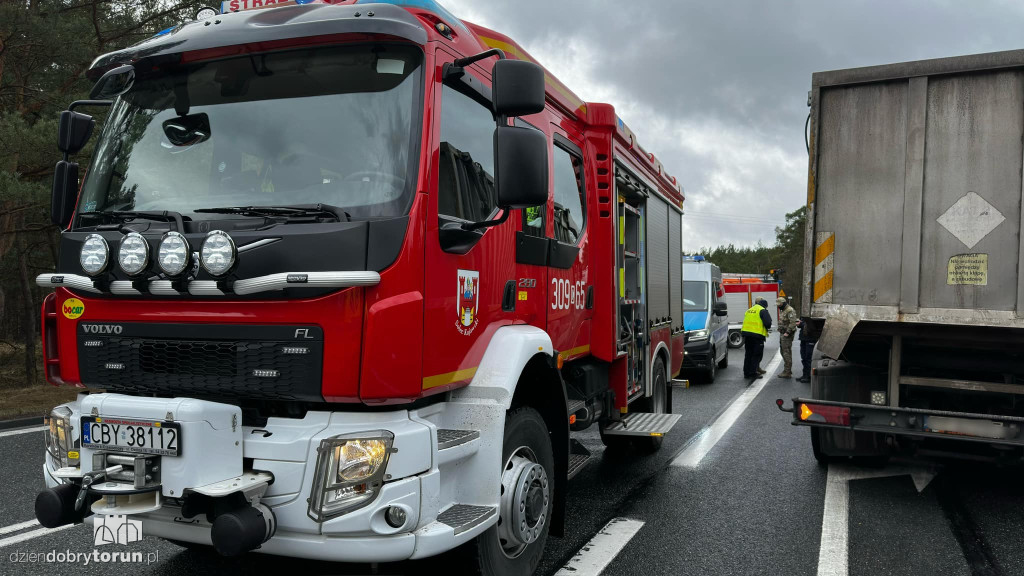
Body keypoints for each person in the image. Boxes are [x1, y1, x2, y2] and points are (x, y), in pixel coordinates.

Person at [741, 298, 772, 380]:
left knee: (748, 354)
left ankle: (746, 373)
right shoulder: (763, 310)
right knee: (756, 355)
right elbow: (768, 323)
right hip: (757, 336)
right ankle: (753, 373)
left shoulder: (749, 310)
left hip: (747, 335)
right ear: (765, 305)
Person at [777, 297, 799, 378]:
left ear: (782, 303)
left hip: (787, 335)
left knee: (786, 352)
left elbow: (793, 323)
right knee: (783, 351)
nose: (778, 306)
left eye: (779, 305)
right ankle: (787, 370)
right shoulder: (783, 310)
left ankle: (787, 371)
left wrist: (787, 332)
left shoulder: (790, 310)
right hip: (783, 333)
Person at [798, 315, 819, 383]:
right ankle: (805, 374)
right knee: (803, 358)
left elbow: (812, 325)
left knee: (808, 358)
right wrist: (799, 324)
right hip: (804, 338)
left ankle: (809, 376)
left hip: (810, 338)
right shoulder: (803, 315)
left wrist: (801, 324)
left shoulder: (813, 315)